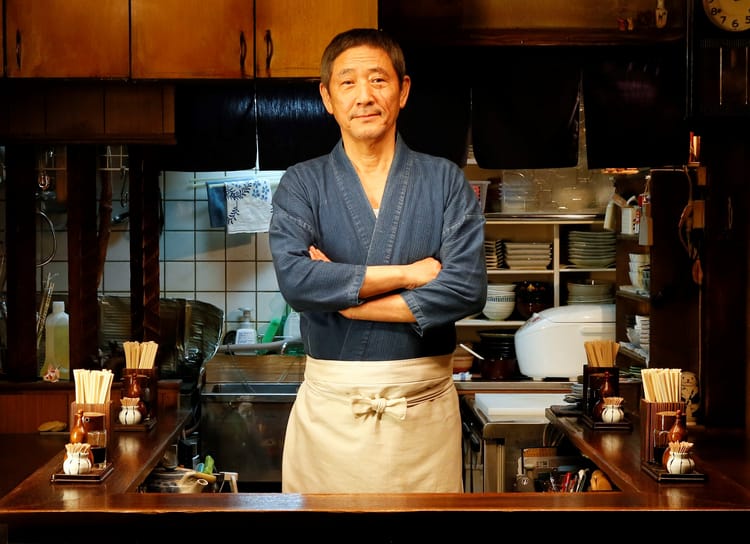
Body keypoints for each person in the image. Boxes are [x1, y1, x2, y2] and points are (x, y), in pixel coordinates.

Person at [269, 28, 487, 493]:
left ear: (402, 91)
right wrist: (409, 274)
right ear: (327, 97)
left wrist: (350, 304)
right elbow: (297, 281)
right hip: (332, 415)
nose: (364, 96)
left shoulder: (445, 180)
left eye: (378, 80)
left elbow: (466, 288)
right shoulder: (301, 184)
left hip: (422, 417)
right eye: (347, 82)